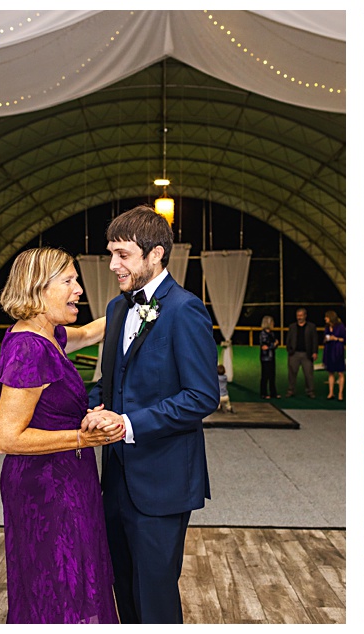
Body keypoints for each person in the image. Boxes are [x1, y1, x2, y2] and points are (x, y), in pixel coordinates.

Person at [83, 206, 221, 623]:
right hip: (117, 478)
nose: (113, 265)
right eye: (111, 254)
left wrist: (129, 423)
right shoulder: (116, 308)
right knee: (122, 584)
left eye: (122, 255)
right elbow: (111, 381)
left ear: (155, 254)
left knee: (156, 596)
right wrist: (92, 405)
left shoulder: (185, 309)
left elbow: (201, 396)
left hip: (163, 482)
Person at [0, 247, 122, 623]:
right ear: (37, 289)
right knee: (61, 586)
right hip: (47, 490)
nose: (79, 289)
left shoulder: (48, 334)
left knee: (75, 582)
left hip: (68, 479)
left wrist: (136, 299)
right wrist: (82, 438)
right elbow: (6, 438)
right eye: (68, 281)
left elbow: (89, 332)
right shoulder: (29, 348)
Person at [284, 308, 319, 398]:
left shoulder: (311, 327)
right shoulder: (292, 326)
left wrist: (315, 352)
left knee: (308, 374)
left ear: (305, 316)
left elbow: (315, 340)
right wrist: (289, 349)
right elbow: (288, 339)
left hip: (307, 354)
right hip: (294, 354)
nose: (299, 317)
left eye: (301, 315)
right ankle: (290, 390)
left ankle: (310, 391)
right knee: (292, 374)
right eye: (297, 316)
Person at [322, 310, 346, 400]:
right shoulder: (327, 327)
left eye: (326, 317)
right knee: (330, 372)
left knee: (340, 373)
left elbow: (345, 339)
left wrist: (335, 338)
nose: (325, 319)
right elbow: (324, 338)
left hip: (338, 351)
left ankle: (340, 393)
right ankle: (331, 392)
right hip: (329, 350)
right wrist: (327, 339)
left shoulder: (340, 327)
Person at [257, 315, 280, 399]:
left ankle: (273, 393)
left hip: (271, 356)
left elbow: (270, 346)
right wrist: (273, 345)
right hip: (265, 358)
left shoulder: (272, 333)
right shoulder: (263, 334)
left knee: (272, 375)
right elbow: (264, 346)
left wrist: (273, 345)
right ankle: (263, 393)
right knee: (265, 375)